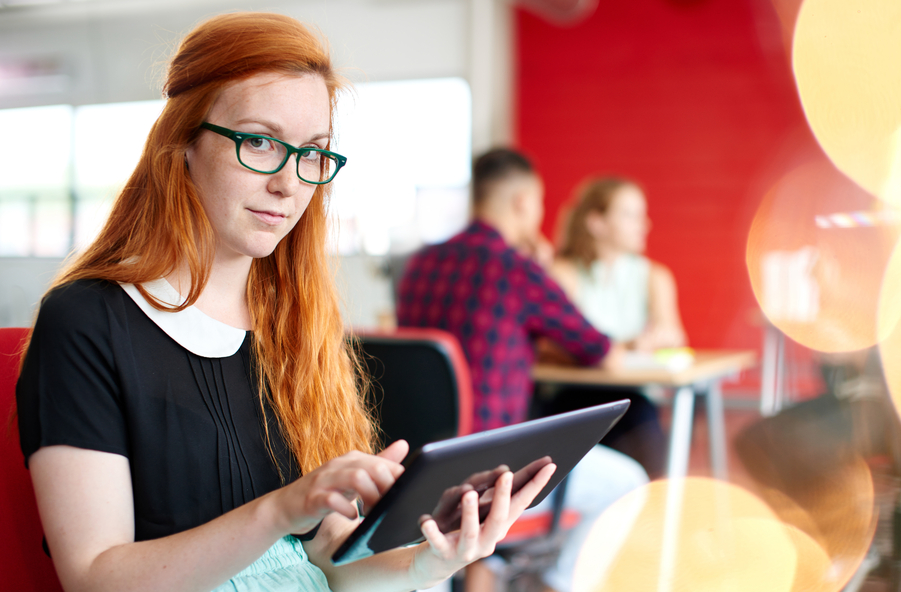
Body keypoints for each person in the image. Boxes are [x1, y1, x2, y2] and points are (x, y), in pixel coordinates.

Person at [15, 13, 553, 592]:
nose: (290, 183)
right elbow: (95, 578)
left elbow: (326, 563)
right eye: (261, 142)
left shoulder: (297, 326)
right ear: (184, 142)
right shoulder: (87, 321)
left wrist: (436, 560)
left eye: (313, 153)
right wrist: (279, 510)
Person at [396, 148, 648, 592]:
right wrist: (543, 267)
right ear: (522, 203)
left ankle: (479, 571)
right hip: (489, 470)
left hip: (415, 469)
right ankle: (556, 583)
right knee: (629, 483)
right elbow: (599, 350)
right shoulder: (516, 269)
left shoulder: (420, 264)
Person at [541, 177, 688, 479]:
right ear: (597, 223)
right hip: (571, 398)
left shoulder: (655, 277)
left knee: (642, 420)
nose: (643, 224)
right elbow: (549, 345)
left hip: (629, 398)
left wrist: (660, 339)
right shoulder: (563, 273)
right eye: (630, 215)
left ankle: (649, 512)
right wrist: (628, 346)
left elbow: (674, 336)